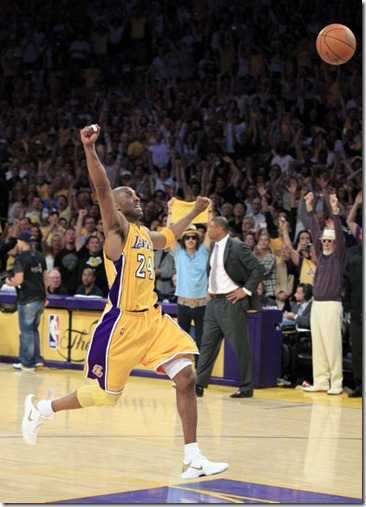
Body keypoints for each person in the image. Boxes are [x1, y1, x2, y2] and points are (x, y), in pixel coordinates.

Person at [21, 123, 229, 481]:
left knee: (186, 377)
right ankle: (42, 409)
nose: (137, 198)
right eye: (129, 195)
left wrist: (193, 212)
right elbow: (102, 187)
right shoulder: (116, 231)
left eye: (136, 195)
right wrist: (89, 149)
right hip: (122, 325)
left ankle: (192, 458)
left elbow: (170, 236)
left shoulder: (146, 236)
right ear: (115, 206)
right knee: (106, 396)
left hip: (154, 320)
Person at [195, 216, 265, 399]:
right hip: (213, 303)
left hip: (231, 302)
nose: (207, 231)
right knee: (207, 345)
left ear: (219, 229)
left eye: (210, 227)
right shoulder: (214, 247)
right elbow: (215, 272)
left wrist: (246, 290)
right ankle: (199, 384)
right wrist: (210, 289)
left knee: (239, 346)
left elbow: (258, 268)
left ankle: (247, 386)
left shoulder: (237, 246)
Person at [302, 192, 346, 395]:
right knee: (318, 344)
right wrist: (310, 208)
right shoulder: (320, 253)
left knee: (332, 345)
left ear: (336, 244)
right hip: (317, 304)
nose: (327, 244)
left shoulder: (338, 257)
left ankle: (336, 383)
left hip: (331, 304)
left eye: (330, 241)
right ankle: (320, 380)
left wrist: (335, 212)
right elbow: (314, 229)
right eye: (325, 241)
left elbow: (337, 232)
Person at [168, 221, 212, 363]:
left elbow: (210, 231)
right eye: (187, 237)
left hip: (201, 305)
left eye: (193, 237)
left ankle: (199, 377)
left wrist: (210, 210)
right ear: (183, 240)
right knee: (182, 342)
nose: (191, 240)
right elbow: (169, 234)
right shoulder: (178, 254)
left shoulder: (203, 253)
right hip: (183, 304)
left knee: (201, 342)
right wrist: (170, 211)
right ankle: (183, 373)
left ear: (197, 239)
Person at [4, 231, 47, 371]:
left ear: (22, 242)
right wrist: (45, 297)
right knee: (34, 330)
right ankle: (37, 359)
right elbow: (45, 278)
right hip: (40, 298)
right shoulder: (40, 256)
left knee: (26, 332)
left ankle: (27, 363)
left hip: (27, 299)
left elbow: (18, 280)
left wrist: (7, 281)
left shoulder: (20, 258)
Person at [343, 241, 362, 398]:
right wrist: (348, 307)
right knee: (356, 351)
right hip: (356, 312)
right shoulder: (352, 253)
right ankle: (360, 385)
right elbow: (346, 283)